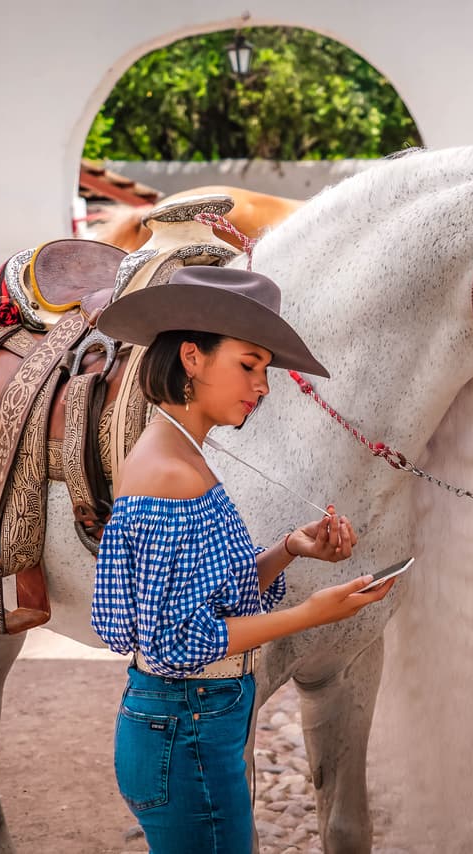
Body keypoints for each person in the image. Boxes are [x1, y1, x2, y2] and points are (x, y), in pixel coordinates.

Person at [90, 265, 396, 853]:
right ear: (192, 358)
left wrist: (288, 550)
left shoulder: (179, 454)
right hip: (188, 729)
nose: (263, 385)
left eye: (264, 370)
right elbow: (177, 641)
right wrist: (314, 613)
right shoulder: (171, 476)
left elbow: (201, 596)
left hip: (192, 724)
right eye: (249, 365)